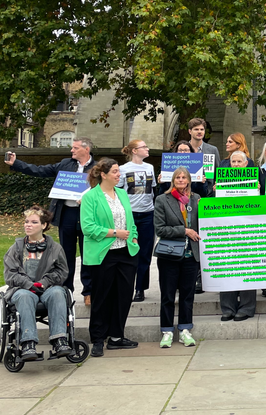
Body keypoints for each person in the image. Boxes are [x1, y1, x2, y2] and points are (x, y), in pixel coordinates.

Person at [6, 138, 95, 303]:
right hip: (67, 214)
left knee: (87, 254)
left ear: (86, 149)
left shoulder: (96, 168)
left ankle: (88, 291)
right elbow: (40, 170)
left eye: (75, 148)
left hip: (87, 216)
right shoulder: (65, 164)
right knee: (66, 254)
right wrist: (16, 163)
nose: (71, 151)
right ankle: (66, 290)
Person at [81, 158, 140, 357]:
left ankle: (116, 336)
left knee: (124, 296)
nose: (119, 175)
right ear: (103, 175)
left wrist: (134, 237)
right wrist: (115, 233)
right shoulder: (91, 197)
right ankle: (98, 339)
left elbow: (130, 222)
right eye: (115, 172)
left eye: (118, 171)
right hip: (103, 254)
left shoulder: (122, 193)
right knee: (102, 297)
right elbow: (87, 228)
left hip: (126, 252)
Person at [3, 206, 72, 360]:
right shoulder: (15, 249)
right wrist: (29, 285)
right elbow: (10, 274)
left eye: (34, 222)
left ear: (44, 225)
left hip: (47, 288)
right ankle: (28, 343)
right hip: (22, 290)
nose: (28, 225)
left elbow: (62, 272)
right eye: (26, 222)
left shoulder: (55, 249)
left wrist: (44, 283)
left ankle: (60, 340)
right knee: (25, 297)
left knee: (57, 293)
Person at [153, 167, 200, 348]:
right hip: (169, 255)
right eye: (178, 177)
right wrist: (184, 231)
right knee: (168, 295)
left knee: (187, 295)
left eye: (184, 177)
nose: (181, 180)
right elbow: (160, 229)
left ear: (189, 180)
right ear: (173, 180)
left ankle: (185, 329)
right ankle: (166, 331)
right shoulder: (162, 200)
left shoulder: (196, 199)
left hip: (190, 255)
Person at [217, 150, 259, 321]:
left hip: (248, 231)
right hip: (227, 231)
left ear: (246, 164)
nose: (235, 165)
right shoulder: (222, 181)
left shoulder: (254, 181)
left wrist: (257, 191)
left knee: (248, 267)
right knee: (227, 267)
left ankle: (247, 307)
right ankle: (227, 308)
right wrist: (215, 193)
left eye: (239, 162)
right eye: (233, 162)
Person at [117, 139, 156, 303]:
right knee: (127, 251)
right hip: (130, 215)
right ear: (134, 151)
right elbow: (118, 191)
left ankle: (140, 288)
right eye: (144, 147)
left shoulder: (150, 167)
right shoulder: (123, 169)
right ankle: (125, 285)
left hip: (148, 214)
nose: (147, 149)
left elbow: (153, 188)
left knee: (145, 253)